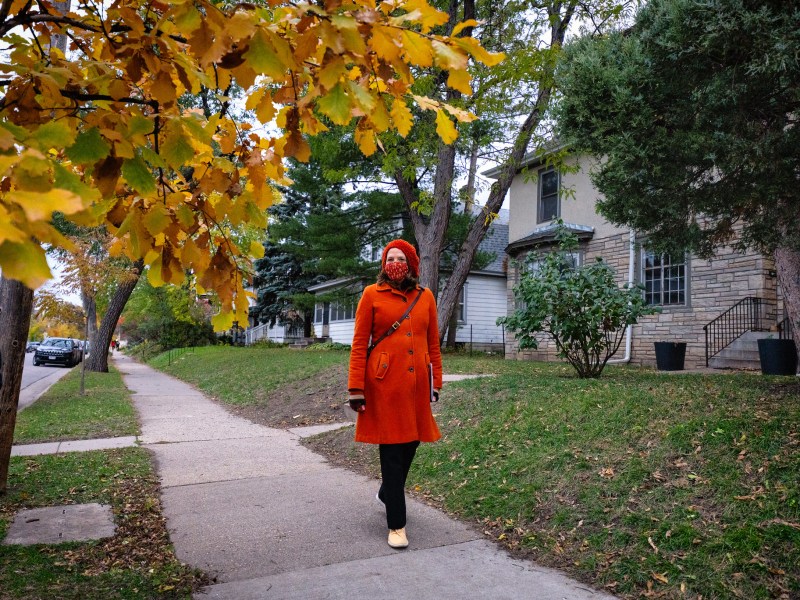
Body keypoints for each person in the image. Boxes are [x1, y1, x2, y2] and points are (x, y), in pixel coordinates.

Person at [347, 239, 443, 549]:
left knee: (411, 445)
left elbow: (433, 344)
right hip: (384, 386)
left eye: (401, 258)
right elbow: (360, 344)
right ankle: (396, 525)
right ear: (384, 264)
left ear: (412, 264)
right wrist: (356, 389)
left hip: (415, 390)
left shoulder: (425, 297)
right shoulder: (371, 295)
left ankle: (388, 493)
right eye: (391, 258)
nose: (395, 263)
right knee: (391, 452)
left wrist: (436, 381)